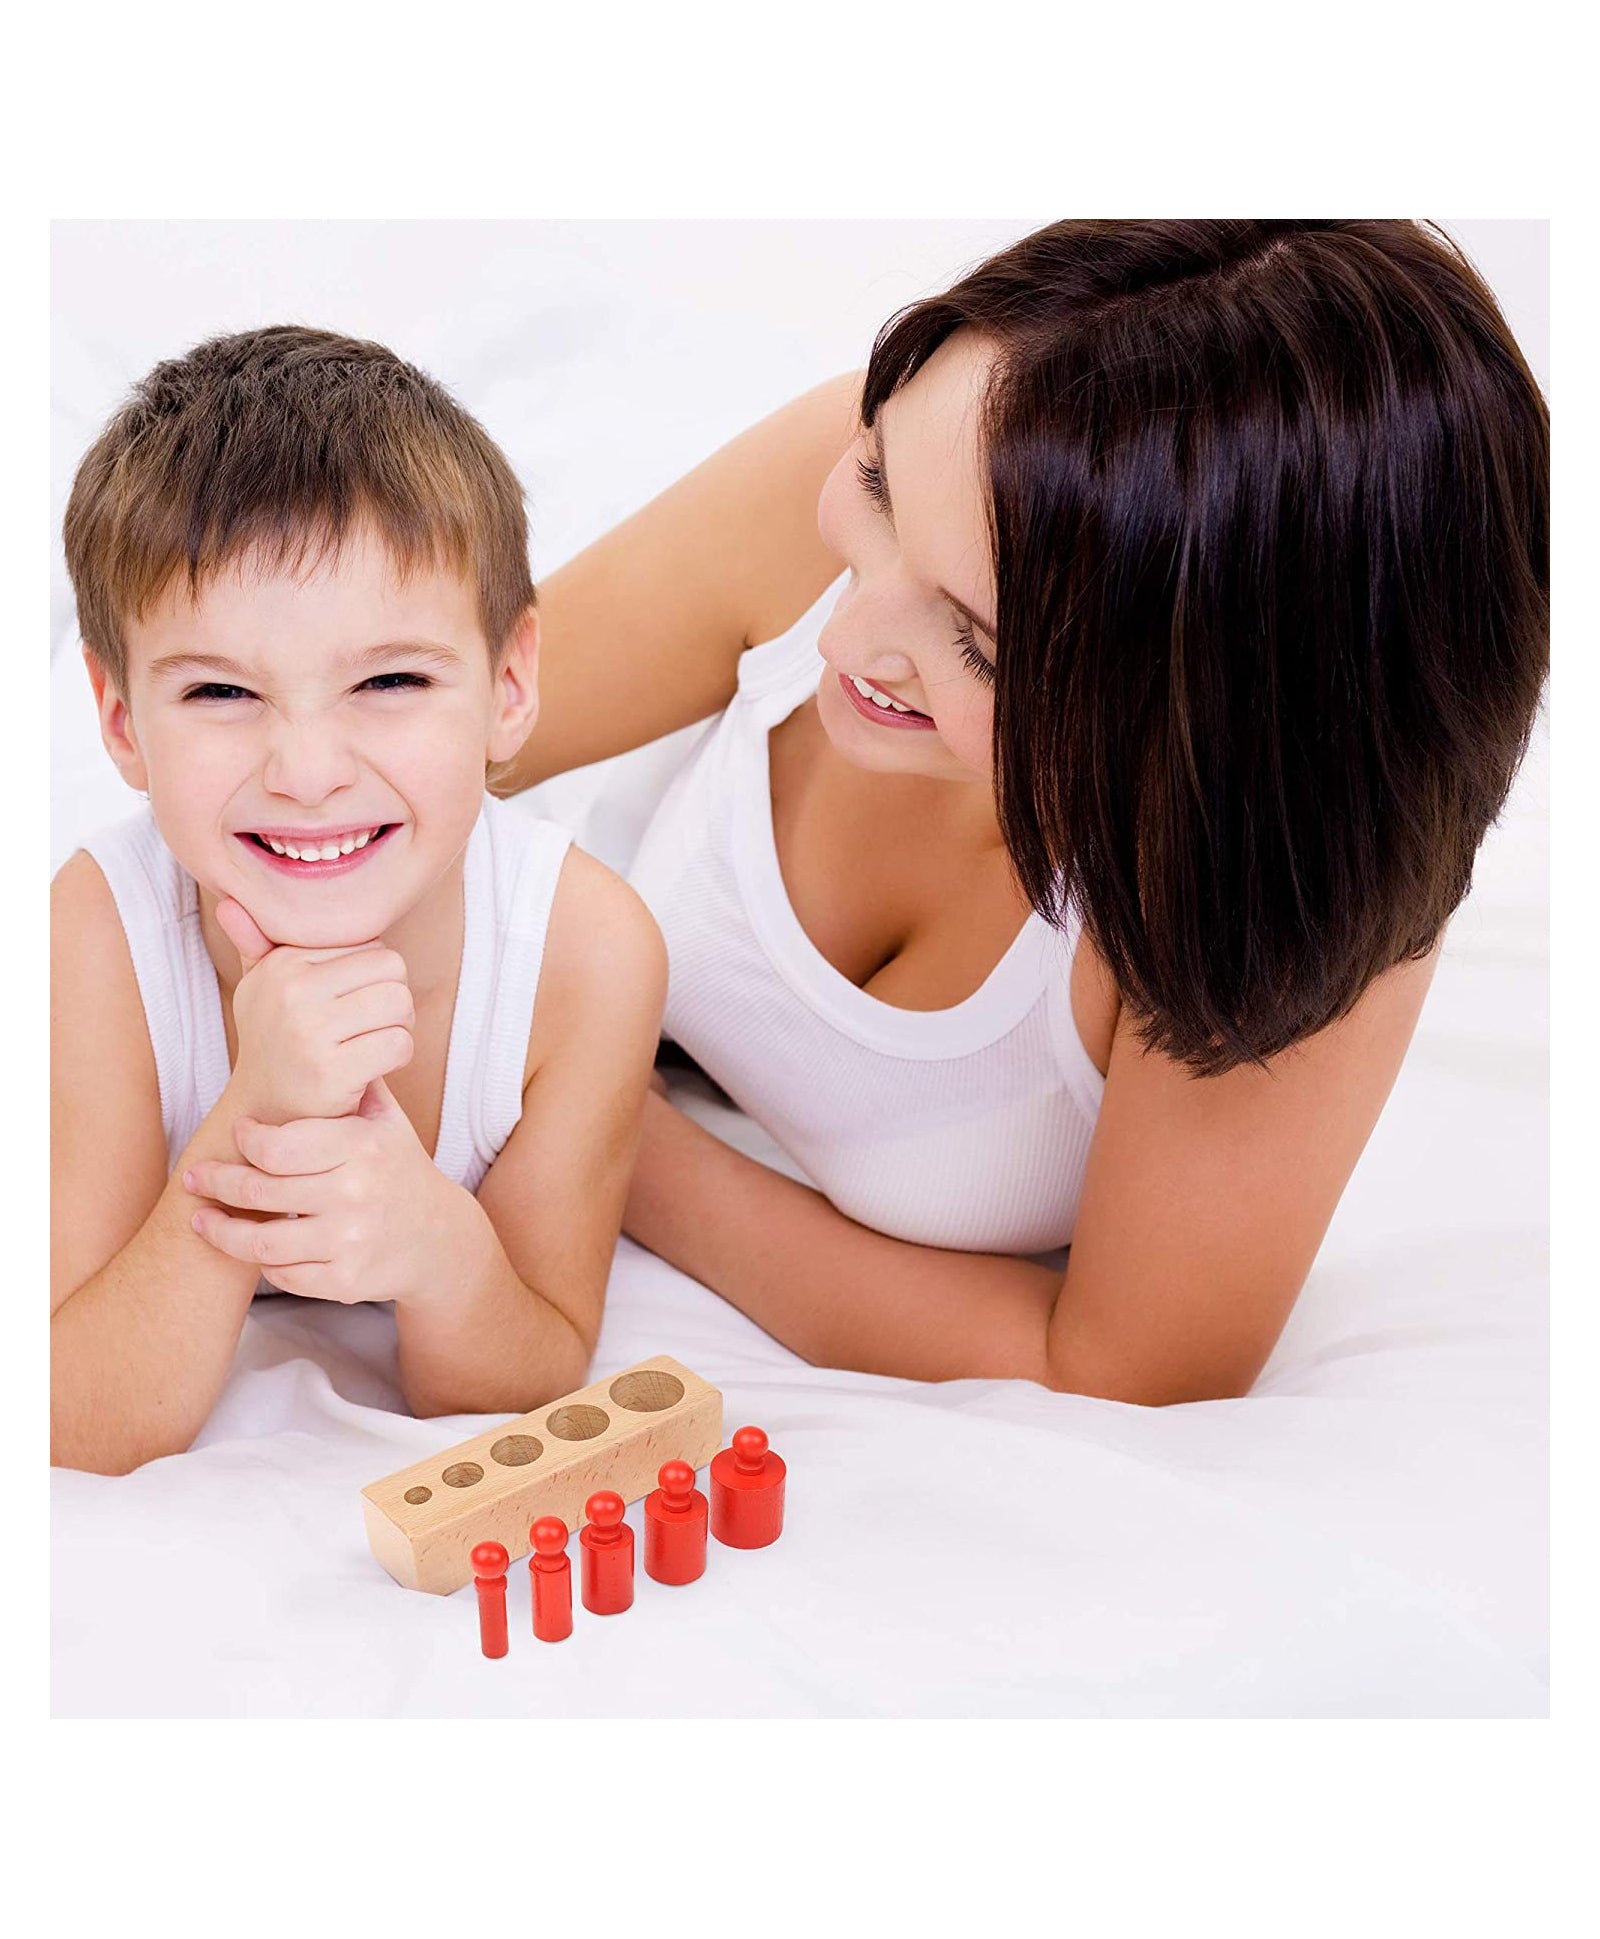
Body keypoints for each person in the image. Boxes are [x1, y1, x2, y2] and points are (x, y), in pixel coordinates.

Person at [497, 219, 1549, 1404]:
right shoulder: (901, 465)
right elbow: (443, 738)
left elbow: (1117, 1365)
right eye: (880, 490)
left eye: (979, 648)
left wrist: (594, 1133)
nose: (844, 634)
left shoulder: (1274, 900)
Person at [51, 326, 666, 1474]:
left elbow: (525, 1372)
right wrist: (260, 1110)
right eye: (222, 690)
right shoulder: (95, 938)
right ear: (123, 720)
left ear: (510, 685)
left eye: (389, 680)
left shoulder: (585, 954)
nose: (308, 769)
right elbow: (76, 1414)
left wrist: (442, 1252)